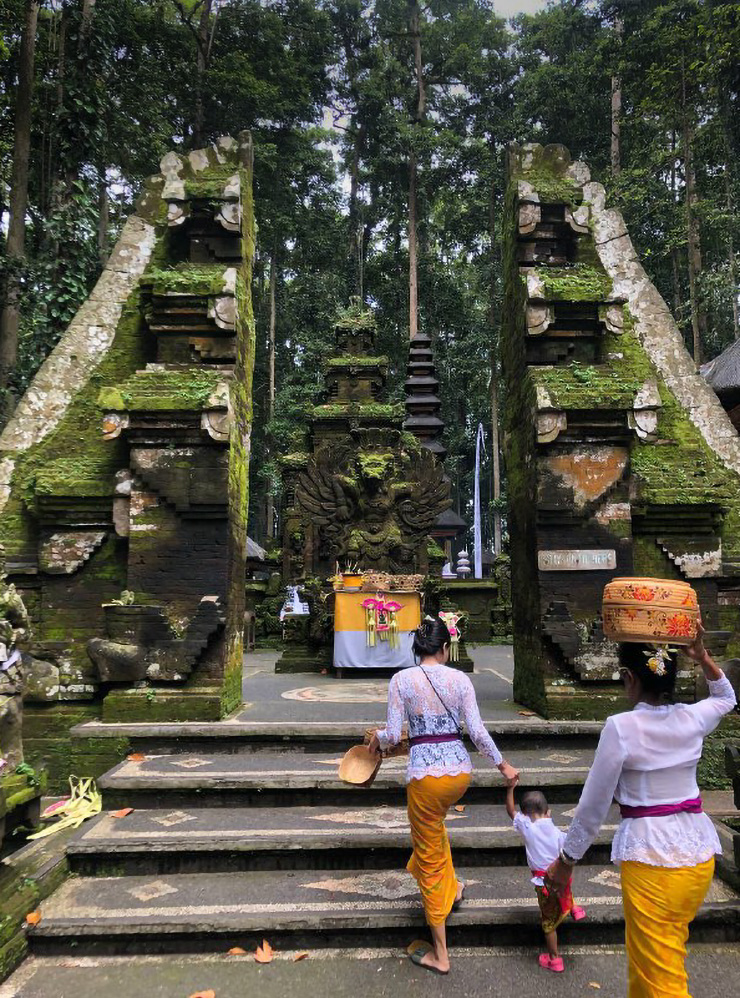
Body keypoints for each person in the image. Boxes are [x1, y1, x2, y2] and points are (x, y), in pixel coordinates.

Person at [545, 619, 737, 997]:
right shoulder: (692, 717)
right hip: (697, 856)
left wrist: (566, 860)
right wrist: (703, 657)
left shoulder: (621, 727)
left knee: (659, 977)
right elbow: (726, 698)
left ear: (628, 677)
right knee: (663, 958)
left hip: (652, 860)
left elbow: (593, 804)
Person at [368, 616, 519, 975]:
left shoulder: (401, 680)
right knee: (434, 831)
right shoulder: (460, 680)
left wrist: (376, 736)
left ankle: (440, 953)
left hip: (426, 778)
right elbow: (477, 731)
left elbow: (392, 733)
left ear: (419, 648)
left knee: (429, 853)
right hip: (459, 773)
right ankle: (455, 887)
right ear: (443, 648)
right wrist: (503, 766)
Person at [506, 781, 586, 973]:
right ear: (548, 812)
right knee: (565, 885)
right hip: (561, 877)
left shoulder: (526, 826)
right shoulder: (558, 832)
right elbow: (569, 852)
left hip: (543, 882)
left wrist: (510, 788)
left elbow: (510, 810)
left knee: (549, 923)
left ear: (525, 814)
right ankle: (573, 908)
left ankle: (554, 958)